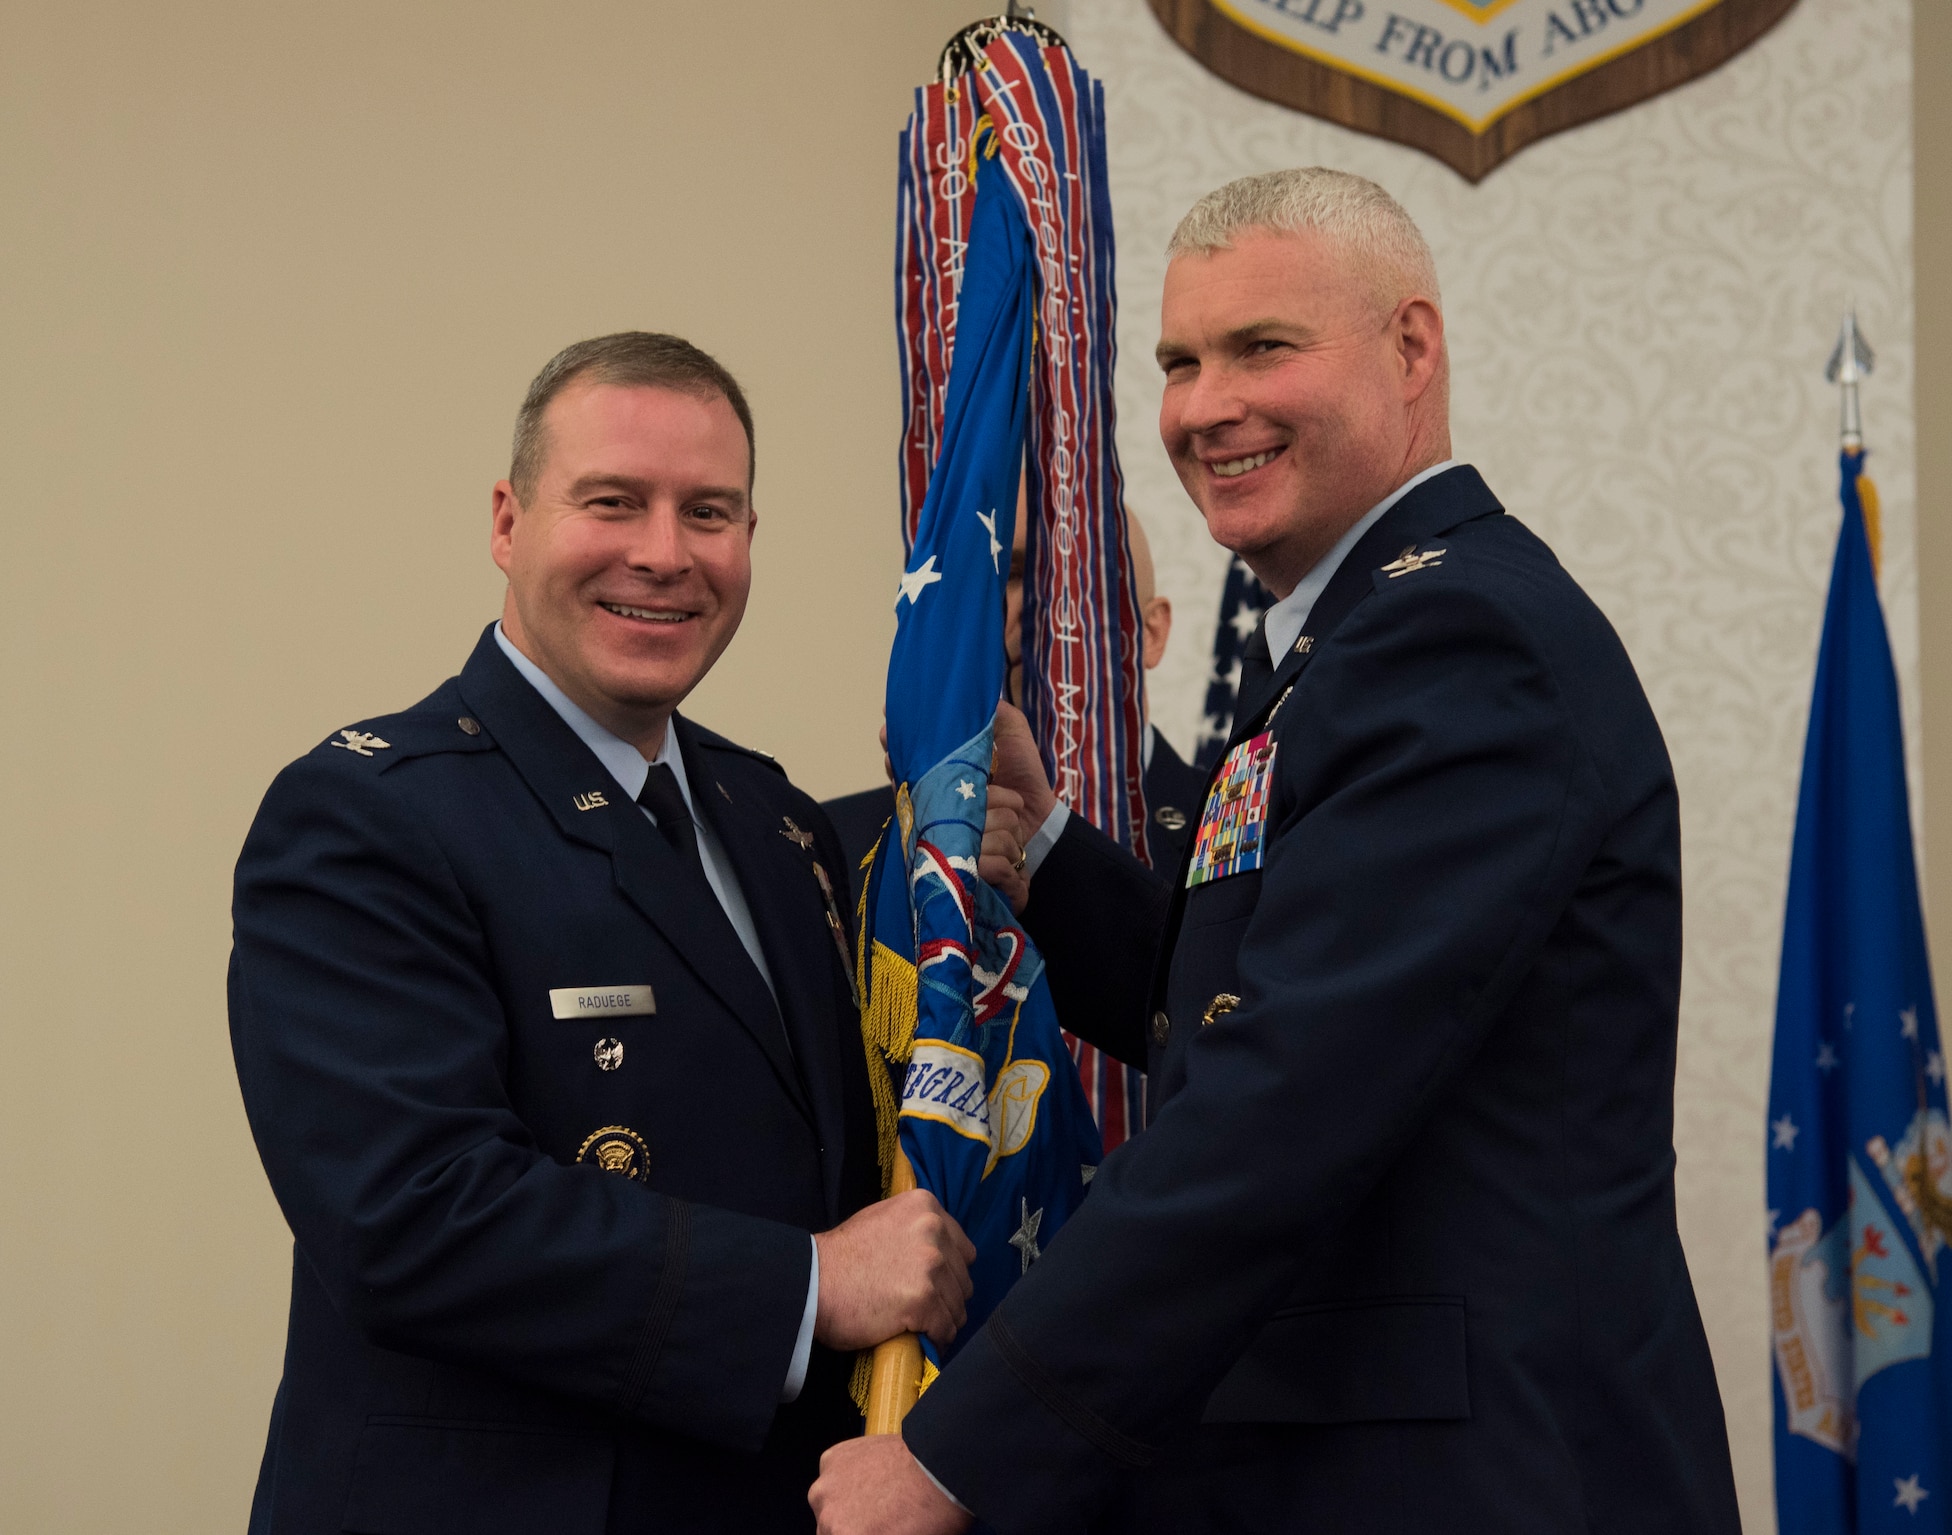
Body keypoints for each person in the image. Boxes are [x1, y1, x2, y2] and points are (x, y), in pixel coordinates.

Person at [809, 170, 1740, 1534]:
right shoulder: (1357, 629)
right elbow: (1242, 990)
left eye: (1264, 347)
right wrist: (1050, 842)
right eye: (1183, 361)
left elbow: (1283, 1097)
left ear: (1411, 348)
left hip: (1471, 1480)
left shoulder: (1456, 642)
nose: (1202, 406)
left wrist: (959, 1447)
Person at [228, 332, 975, 1535]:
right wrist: (808, 1285)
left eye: (710, 512)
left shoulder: (770, 817)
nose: (664, 554)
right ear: (507, 520)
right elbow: (410, 1212)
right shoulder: (367, 814)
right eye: (612, 501)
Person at [821, 508, 1207, 903]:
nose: (1038, 605)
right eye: (1008, 574)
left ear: (1152, 634)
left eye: (1074, 575)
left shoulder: (1248, 825)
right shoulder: (834, 846)